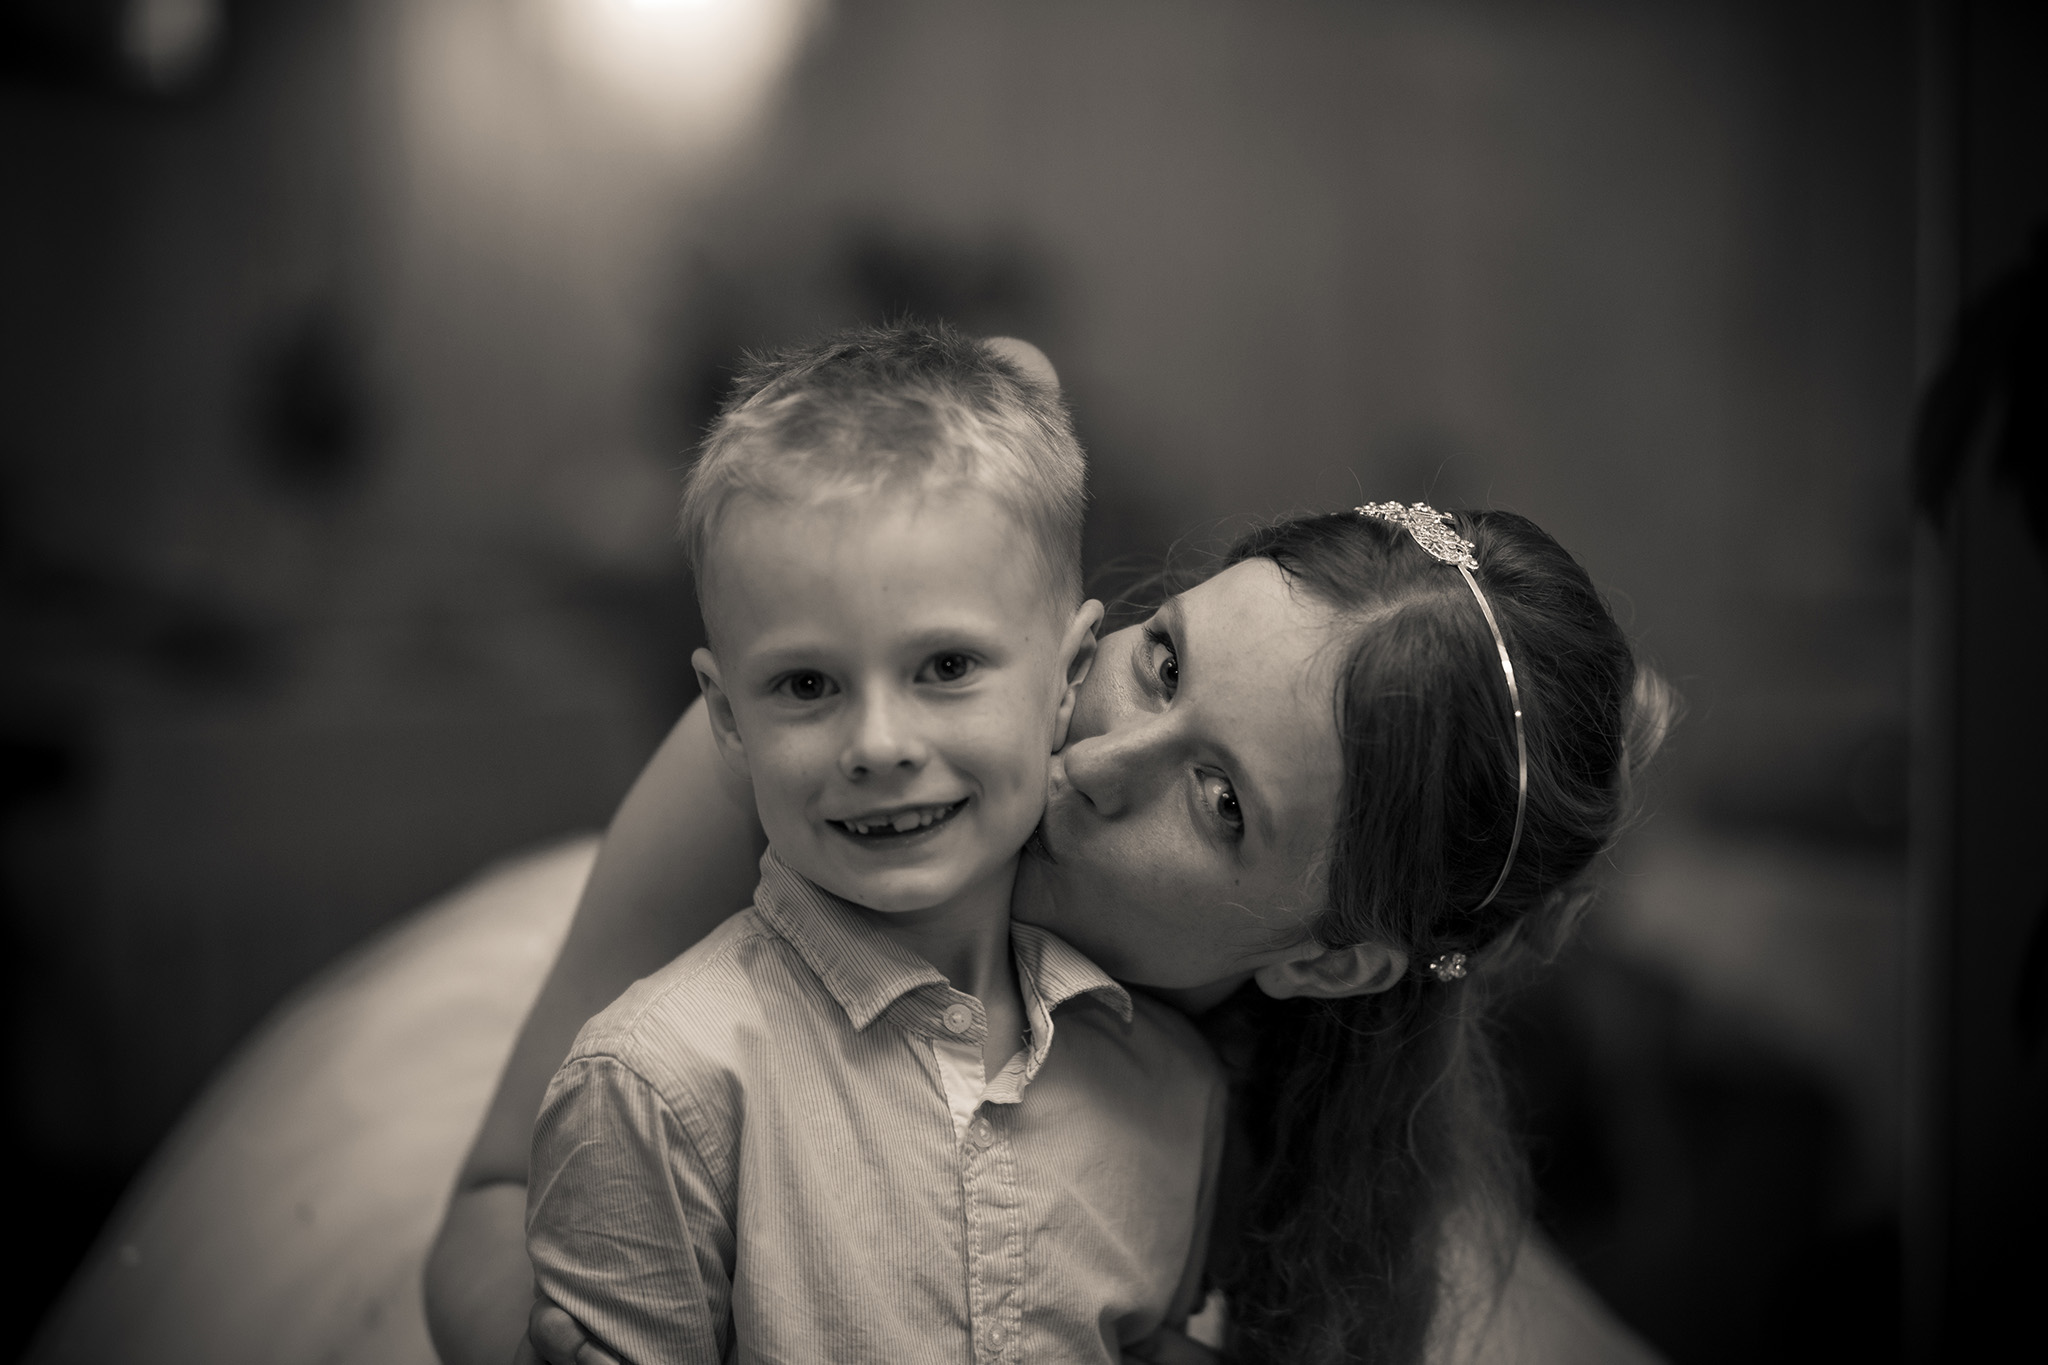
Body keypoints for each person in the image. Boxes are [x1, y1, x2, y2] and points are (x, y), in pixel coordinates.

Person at [426, 366, 1673, 1365]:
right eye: (1163, 661)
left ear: (1326, 964)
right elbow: (495, 1195)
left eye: (1218, 802)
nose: (1092, 762)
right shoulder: (808, 762)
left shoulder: (1268, 1152)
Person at [523, 322, 1227, 1365]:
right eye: (806, 684)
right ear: (726, 715)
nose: (879, 745)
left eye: (945, 667)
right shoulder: (658, 1089)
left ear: (1069, 675)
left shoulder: (1170, 1089)